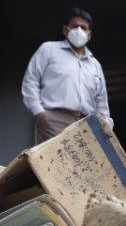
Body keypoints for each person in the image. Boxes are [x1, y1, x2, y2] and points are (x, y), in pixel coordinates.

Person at [21, 8, 112, 143]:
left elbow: (101, 100)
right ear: (65, 29)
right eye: (75, 26)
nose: (79, 31)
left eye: (83, 28)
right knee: (55, 162)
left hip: (86, 126)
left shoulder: (95, 65)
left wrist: (105, 124)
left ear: (89, 34)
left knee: (80, 164)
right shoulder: (49, 50)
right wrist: (39, 113)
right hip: (54, 120)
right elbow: (31, 80)